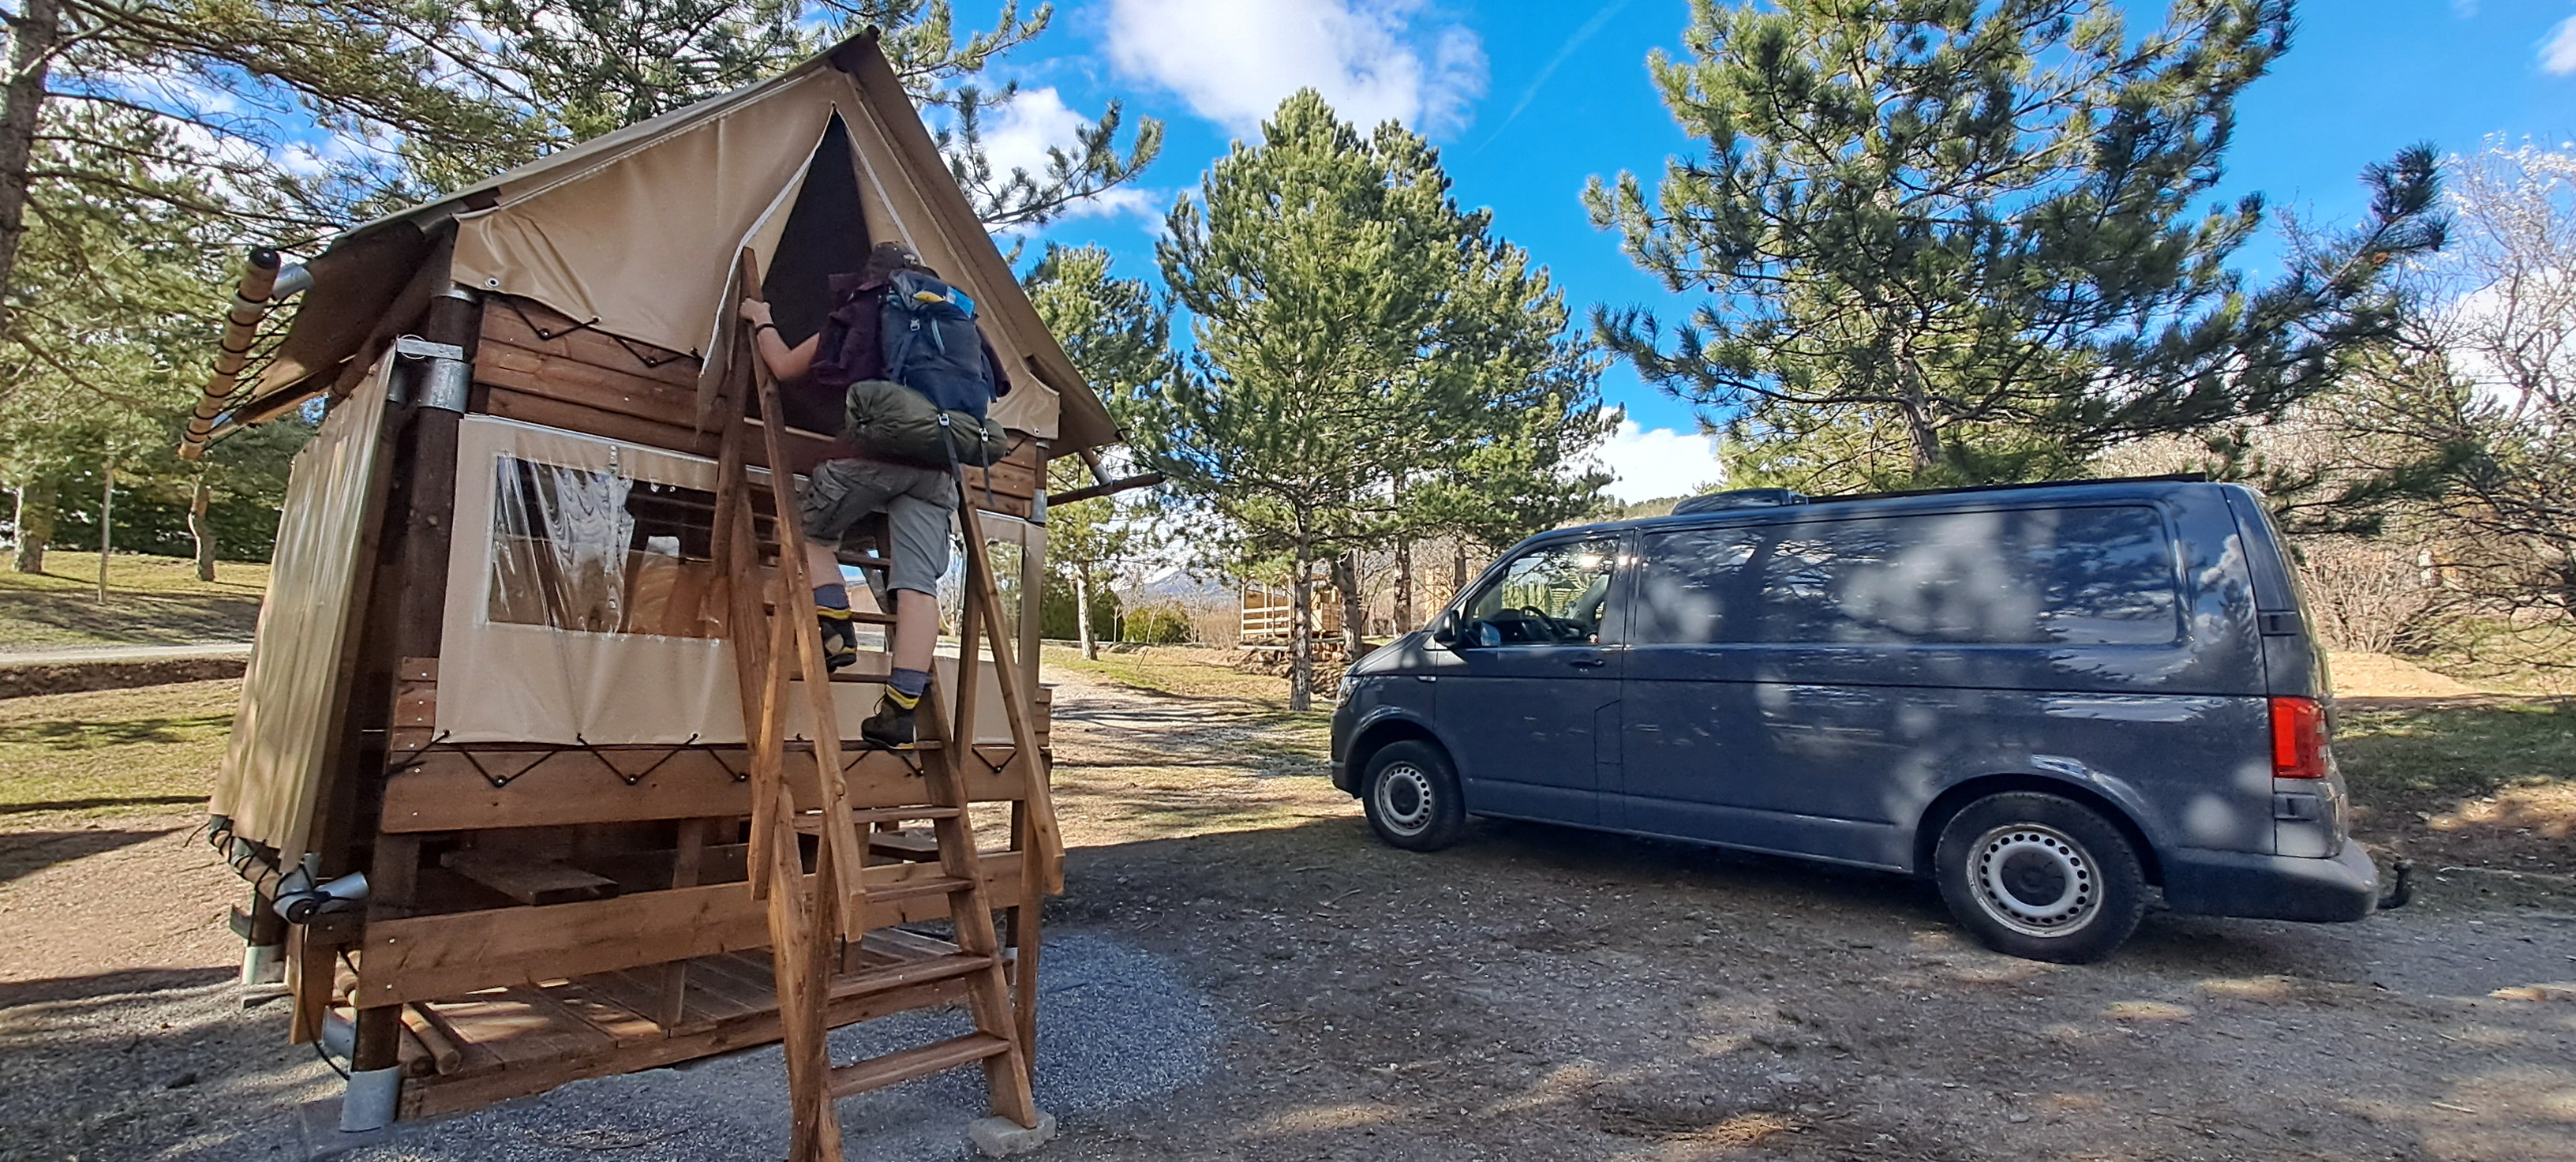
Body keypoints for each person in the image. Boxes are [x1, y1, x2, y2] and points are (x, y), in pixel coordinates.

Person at [737, 241, 1012, 747]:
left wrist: (762, 318)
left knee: (807, 533)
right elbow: (997, 386)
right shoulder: (960, 320)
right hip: (937, 468)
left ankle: (835, 626)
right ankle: (900, 709)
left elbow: (784, 367)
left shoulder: (866, 307)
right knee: (918, 587)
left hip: (866, 457)